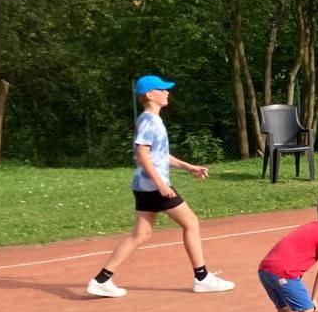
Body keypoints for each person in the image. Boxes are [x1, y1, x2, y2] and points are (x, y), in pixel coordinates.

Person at [86, 74, 235, 298]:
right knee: (191, 222)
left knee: (141, 234)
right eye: (161, 89)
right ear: (149, 95)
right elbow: (142, 154)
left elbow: (159, 155)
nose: (167, 92)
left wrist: (187, 167)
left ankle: (101, 280)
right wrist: (161, 185)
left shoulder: (151, 119)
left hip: (143, 185)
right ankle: (202, 278)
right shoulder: (149, 121)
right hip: (153, 186)